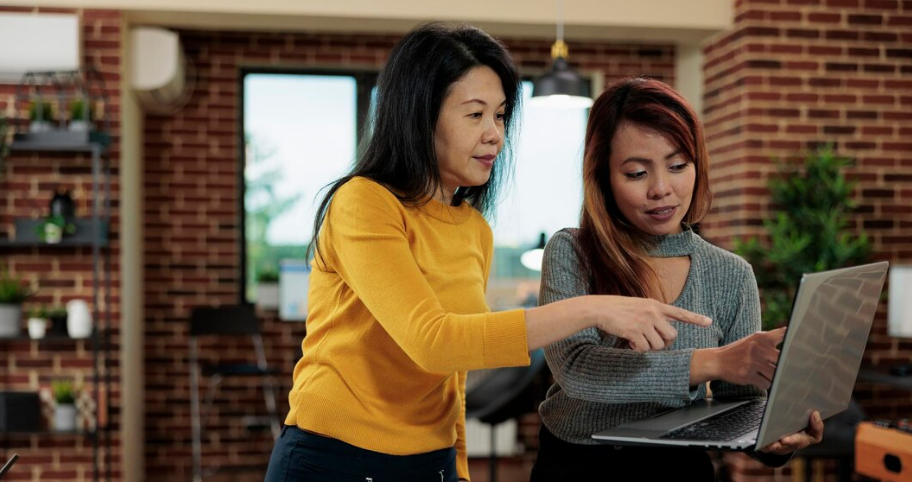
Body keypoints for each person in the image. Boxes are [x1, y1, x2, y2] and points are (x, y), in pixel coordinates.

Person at [263, 25, 712, 482]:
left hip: (430, 461)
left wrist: (457, 466)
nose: (495, 135)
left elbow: (452, 375)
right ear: (421, 116)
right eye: (474, 115)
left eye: (499, 116)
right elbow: (433, 342)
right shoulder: (363, 202)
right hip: (334, 457)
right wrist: (592, 309)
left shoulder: (473, 229)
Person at [529, 77, 824, 481]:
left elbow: (740, 399)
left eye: (678, 165)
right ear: (603, 178)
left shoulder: (731, 274)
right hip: (579, 465)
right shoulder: (571, 252)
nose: (661, 189)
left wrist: (772, 440)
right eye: (636, 173)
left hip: (680, 468)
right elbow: (578, 370)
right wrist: (714, 362)